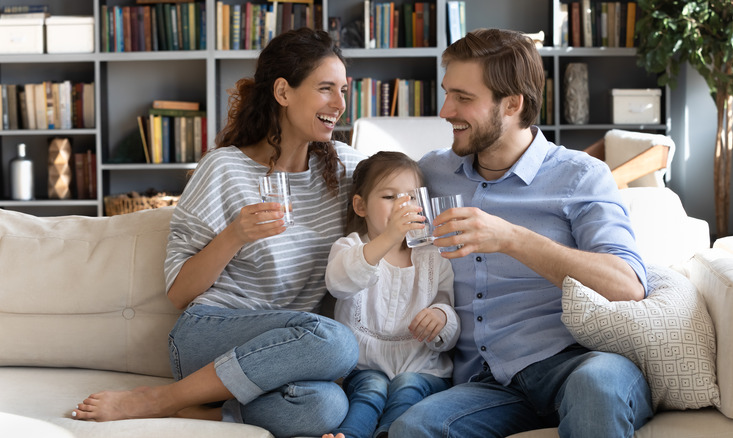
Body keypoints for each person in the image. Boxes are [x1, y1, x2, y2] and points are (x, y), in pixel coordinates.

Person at [72, 28, 365, 438]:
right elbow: (179, 293)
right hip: (209, 333)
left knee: (326, 405)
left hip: (286, 351)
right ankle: (160, 399)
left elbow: (408, 183)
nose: (339, 104)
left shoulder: (347, 169)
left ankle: (198, 412)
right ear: (283, 92)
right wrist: (234, 235)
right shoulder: (224, 169)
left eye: (344, 90)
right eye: (325, 89)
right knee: (337, 342)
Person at [389, 29, 653, 438]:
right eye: (447, 93)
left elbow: (628, 285)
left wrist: (512, 238)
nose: (444, 110)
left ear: (513, 103)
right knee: (415, 428)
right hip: (488, 382)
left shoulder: (580, 176)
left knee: (596, 387)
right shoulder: (432, 173)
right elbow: (369, 192)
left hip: (578, 364)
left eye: (463, 97)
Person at [322, 152, 460, 438]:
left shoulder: (434, 257)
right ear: (361, 206)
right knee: (370, 389)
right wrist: (388, 238)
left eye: (410, 198)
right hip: (364, 370)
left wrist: (441, 318)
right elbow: (338, 282)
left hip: (424, 372)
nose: (402, 207)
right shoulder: (351, 248)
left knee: (407, 385)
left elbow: (449, 312)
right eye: (389, 197)